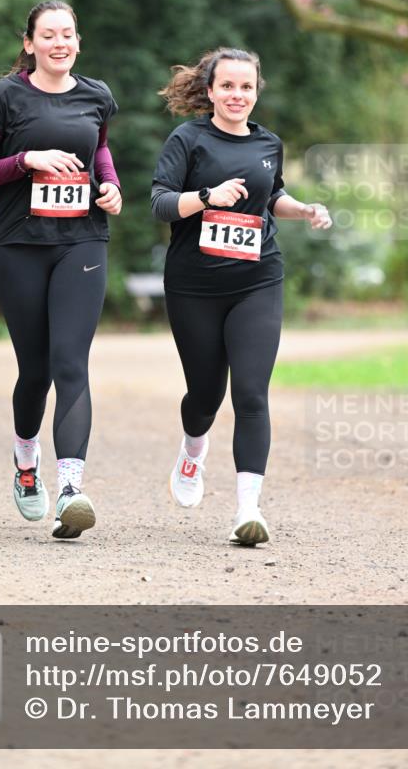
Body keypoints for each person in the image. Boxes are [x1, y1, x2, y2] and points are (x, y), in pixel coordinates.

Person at [152, 47, 331, 546]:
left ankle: (247, 510)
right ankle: (192, 451)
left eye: (246, 87)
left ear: (256, 92)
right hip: (194, 286)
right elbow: (161, 202)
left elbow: (273, 196)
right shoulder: (188, 139)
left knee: (251, 393)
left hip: (257, 280)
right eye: (227, 86)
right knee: (206, 395)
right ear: (209, 91)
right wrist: (207, 198)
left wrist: (306, 210)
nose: (237, 95)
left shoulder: (268, 142)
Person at [0, 0, 121, 540]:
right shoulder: (4, 96)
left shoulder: (96, 95)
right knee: (37, 370)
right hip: (17, 245)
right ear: (29, 44)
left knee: (72, 361)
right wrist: (26, 161)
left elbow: (99, 148)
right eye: (48, 34)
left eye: (68, 34)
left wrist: (111, 184)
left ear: (78, 41)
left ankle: (72, 489)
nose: (60, 42)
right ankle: (26, 462)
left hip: (82, 241)